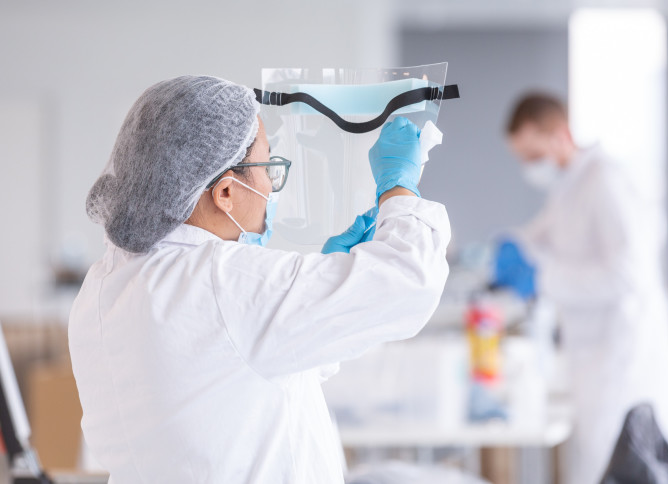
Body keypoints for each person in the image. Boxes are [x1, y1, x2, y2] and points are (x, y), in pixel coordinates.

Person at [68, 76, 451, 483]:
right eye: (268, 166)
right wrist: (399, 188)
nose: (271, 185)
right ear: (226, 193)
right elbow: (408, 279)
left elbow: (236, 374)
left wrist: (325, 280)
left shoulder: (105, 284)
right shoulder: (222, 281)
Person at [495, 92, 668, 484]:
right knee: (597, 462)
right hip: (594, 353)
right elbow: (541, 237)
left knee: (628, 464)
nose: (530, 167)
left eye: (534, 155)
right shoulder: (569, 186)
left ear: (559, 136)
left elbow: (629, 274)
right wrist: (505, 245)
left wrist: (544, 278)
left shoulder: (607, 178)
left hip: (625, 354)